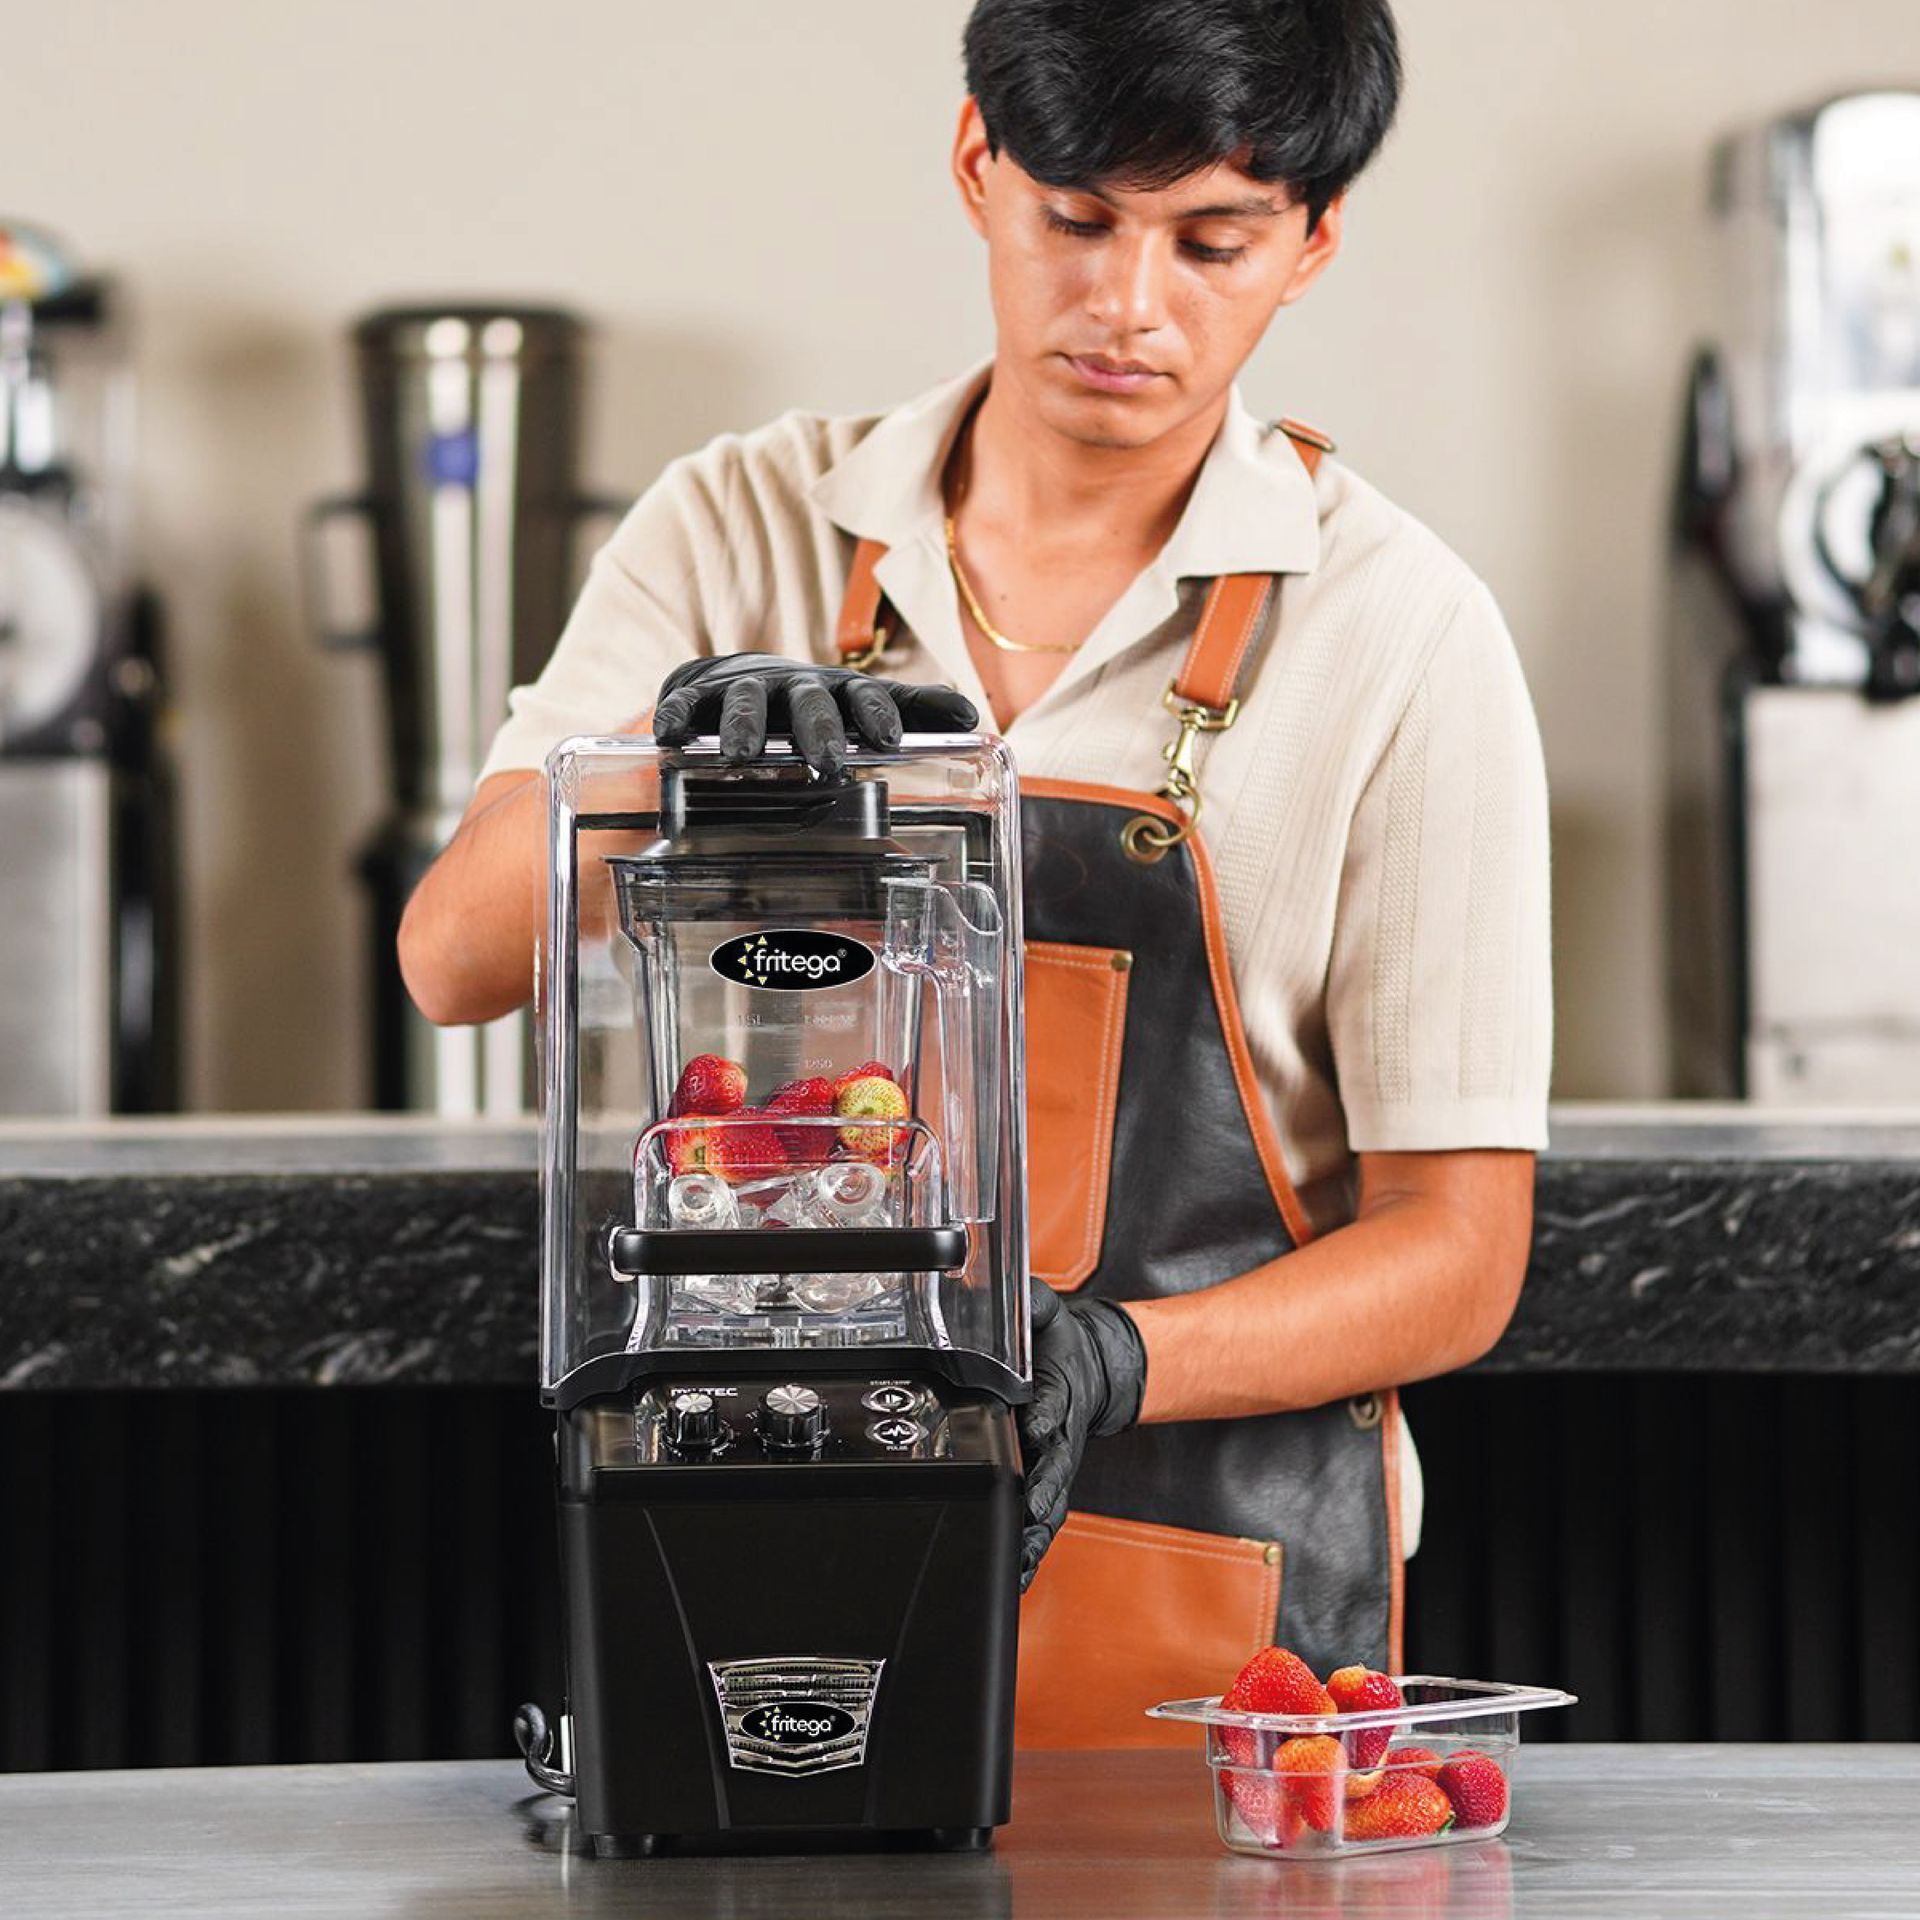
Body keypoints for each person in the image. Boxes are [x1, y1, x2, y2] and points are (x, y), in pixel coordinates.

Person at [399, 0, 1549, 1713]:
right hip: (768, 1505)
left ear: (1310, 244)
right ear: (976, 164)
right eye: (1076, 219)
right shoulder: (744, 523)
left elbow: (1459, 1249)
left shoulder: (1401, 634)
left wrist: (1105, 1358)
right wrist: (674, 759)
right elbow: (454, 961)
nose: (1129, 304)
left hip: (1216, 1576)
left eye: (1212, 242)